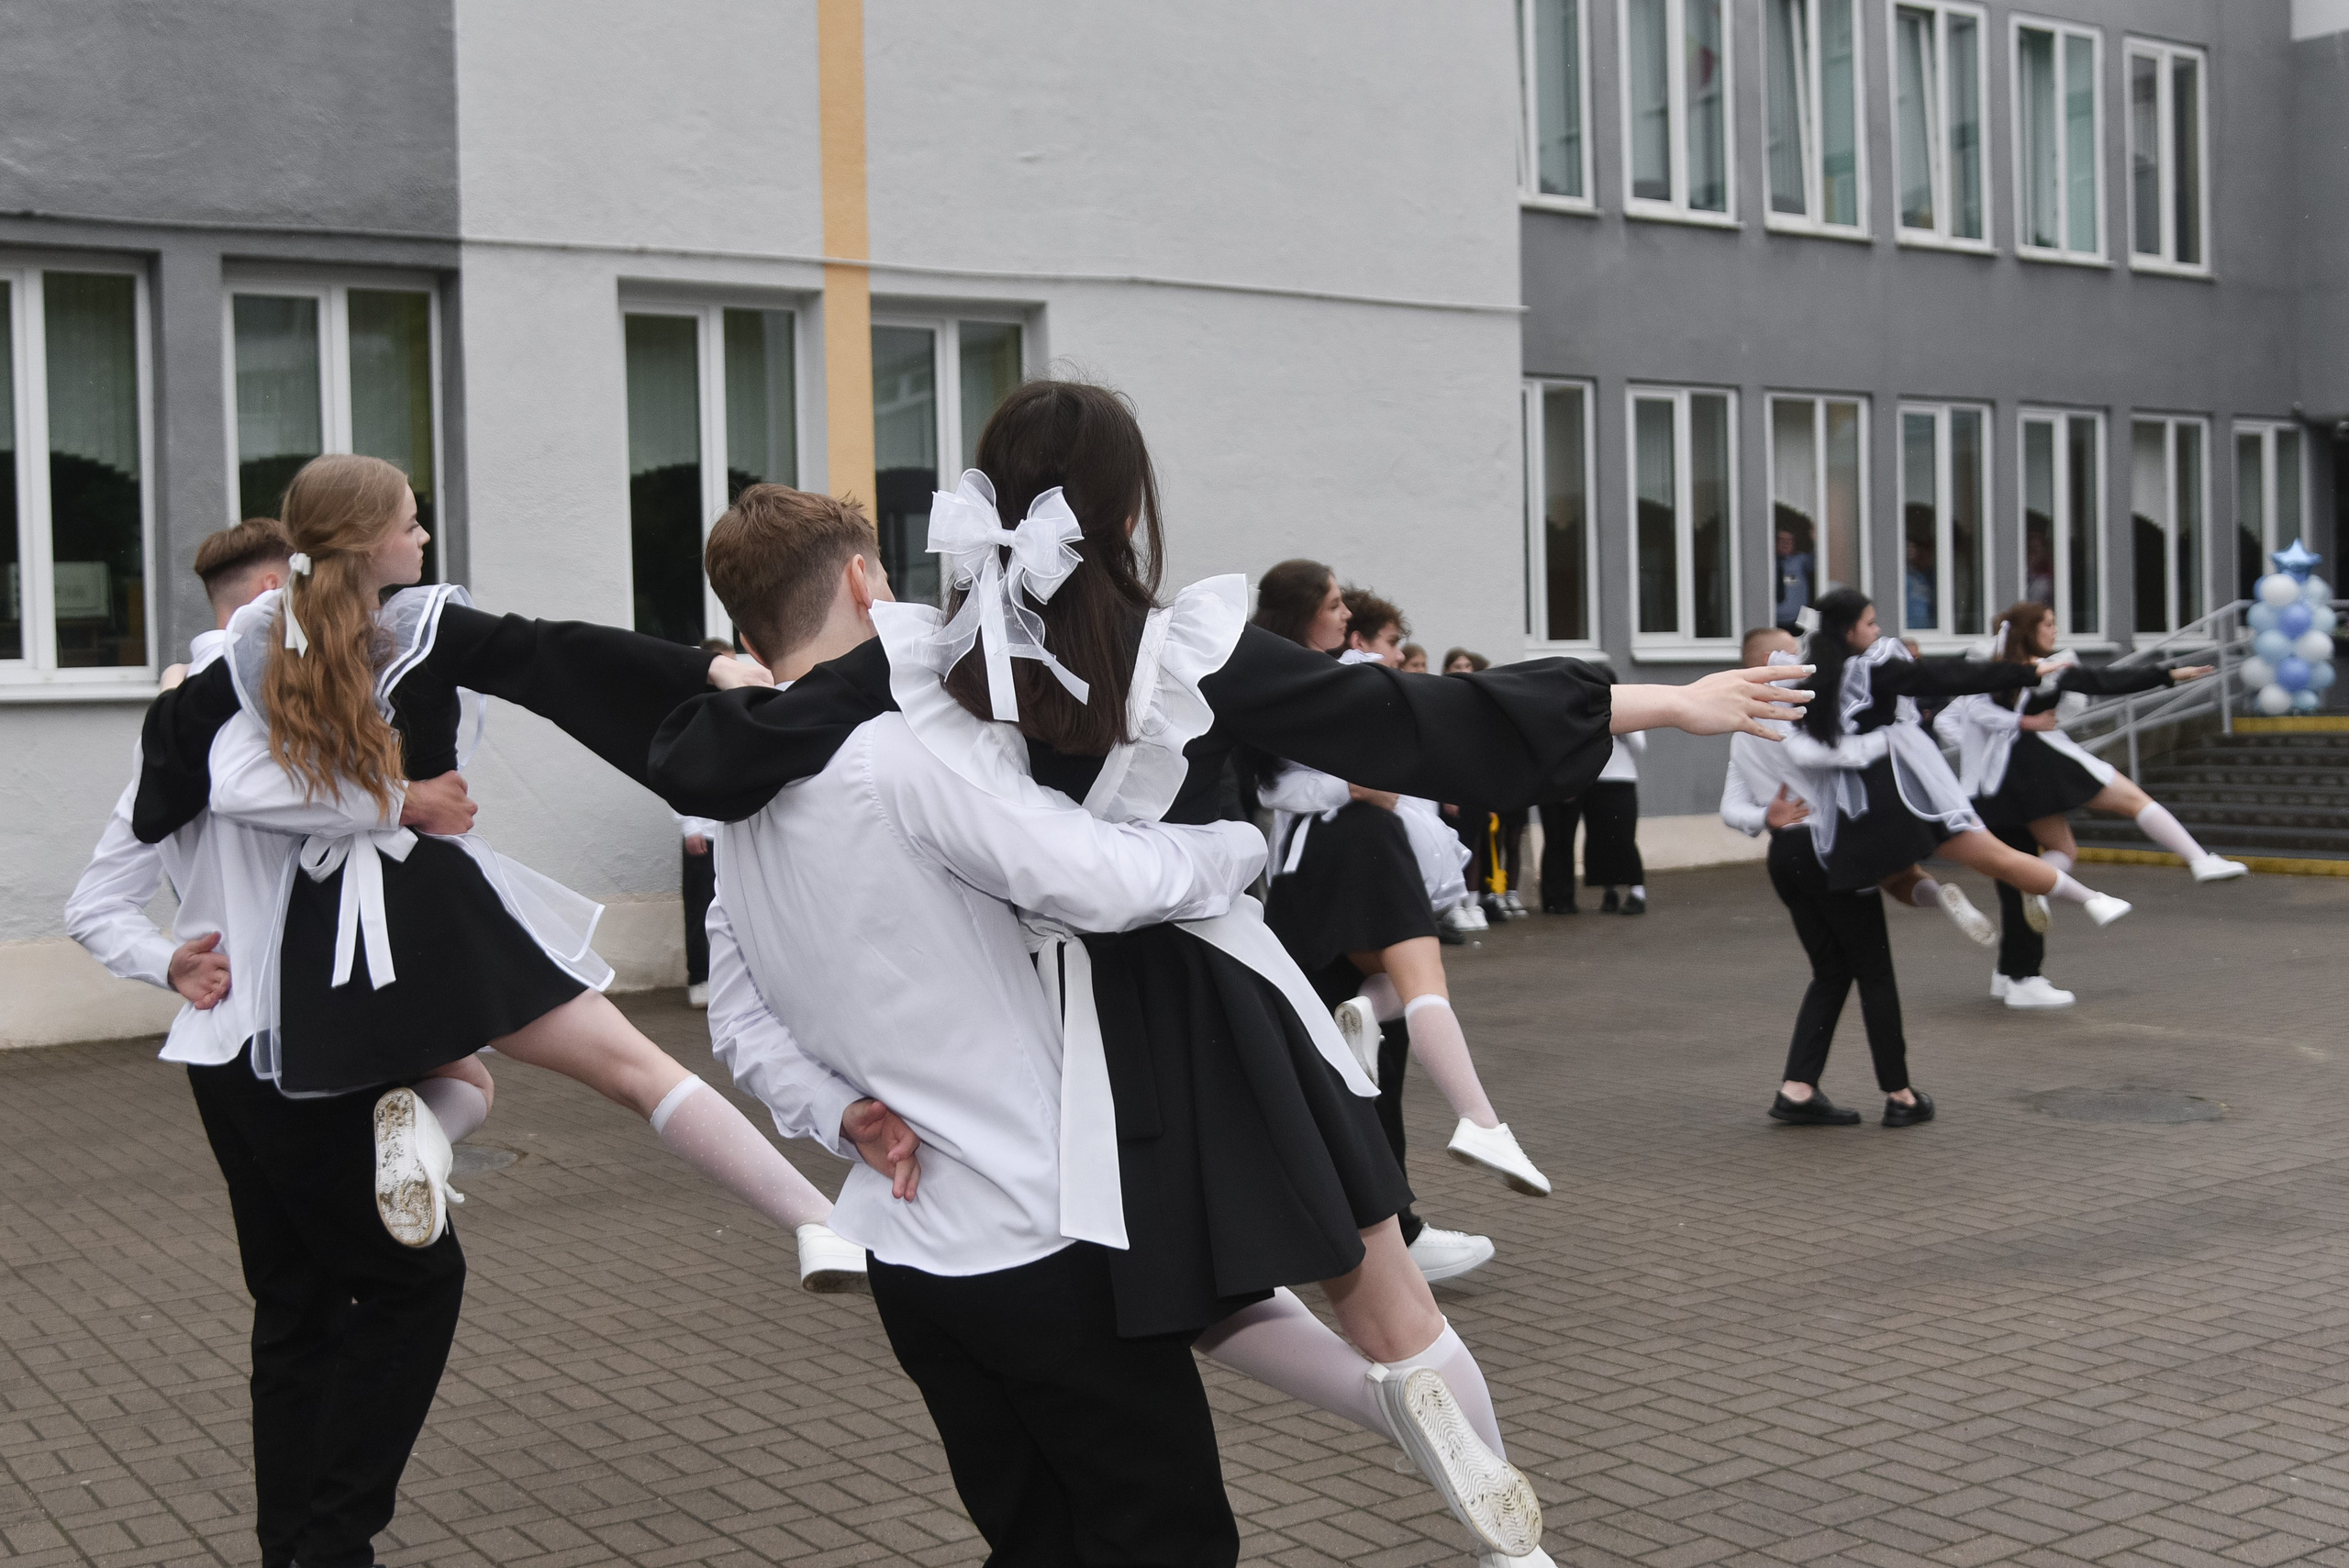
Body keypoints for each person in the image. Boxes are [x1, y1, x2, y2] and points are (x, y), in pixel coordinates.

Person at [651, 380, 1815, 1564]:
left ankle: (1383, 1408)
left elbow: (793, 707)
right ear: (1126, 503)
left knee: (1184, 1299)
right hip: (1214, 997)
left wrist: (731, 702)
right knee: (1389, 1305)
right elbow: (1404, 715)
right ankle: (1504, 1535)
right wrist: (1668, 702)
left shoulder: (937, 669)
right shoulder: (1176, 647)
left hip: (1071, 1041)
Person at [683, 483, 1541, 1564]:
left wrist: (840, 1110)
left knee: (1037, 1541)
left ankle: (1392, 1402)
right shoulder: (901, 755)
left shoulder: (738, 798)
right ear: (864, 581)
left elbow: (742, 1024)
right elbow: (1085, 876)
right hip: (1047, 1235)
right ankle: (1404, 1404)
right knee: (1168, 1539)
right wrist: (1234, 849)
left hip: (907, 1255)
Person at [131, 456, 880, 1294]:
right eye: (411, 523)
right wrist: (703, 668)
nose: (422, 536)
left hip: (318, 949)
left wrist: (191, 702)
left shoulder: (265, 642)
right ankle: (821, 1222)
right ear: (372, 543)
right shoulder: (411, 624)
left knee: (460, 1082)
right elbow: (549, 656)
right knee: (639, 1070)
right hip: (430, 906)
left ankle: (416, 1138)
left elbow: (217, 780)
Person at [67, 516, 489, 1568]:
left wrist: (163, 961)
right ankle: (334, 1538)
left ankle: (295, 1546)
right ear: (269, 594)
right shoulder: (252, 725)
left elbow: (94, 900)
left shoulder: (183, 727)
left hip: (229, 1056)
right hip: (295, 1055)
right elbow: (300, 804)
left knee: (298, 1306)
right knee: (412, 1282)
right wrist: (405, 798)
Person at [1254, 578, 1511, 1284]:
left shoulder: (1304, 681)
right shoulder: (1324, 680)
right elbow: (1276, 786)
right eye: (1334, 605)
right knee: (1364, 1056)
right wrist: (1353, 787)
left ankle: (1383, 1228)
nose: (1344, 616)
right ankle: (1400, 1217)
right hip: (1337, 871)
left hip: (1323, 877)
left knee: (1354, 1062)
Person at [1784, 589, 2134, 929]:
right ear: (1849, 631)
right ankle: (2092, 898)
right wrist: (2023, 673)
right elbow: (1947, 676)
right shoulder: (1875, 668)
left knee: (1894, 876)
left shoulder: (1815, 676)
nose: (1878, 632)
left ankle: (1938, 896)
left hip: (1852, 805)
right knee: (1995, 856)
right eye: (1871, 624)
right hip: (1902, 786)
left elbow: (1801, 741)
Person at [678, 637, 737, 1008]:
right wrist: (690, 826)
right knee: (700, 906)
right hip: (704, 833)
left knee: (734, 907)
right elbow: (676, 774)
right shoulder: (691, 712)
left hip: (732, 829)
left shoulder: (736, 709)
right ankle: (700, 976)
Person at [1539, 730, 1646, 915]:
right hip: (1592, 781)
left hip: (1622, 779)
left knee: (1623, 838)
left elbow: (1640, 746)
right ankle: (1609, 892)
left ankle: (1637, 891)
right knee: (1598, 839)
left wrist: (1621, 728)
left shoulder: (1631, 711)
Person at [1775, 528, 1813, 631]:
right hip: (1771, 621)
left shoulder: (1801, 560)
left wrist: (1815, 538)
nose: (1785, 543)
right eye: (1781, 540)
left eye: (1789, 540)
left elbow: (1821, 561)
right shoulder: (1766, 564)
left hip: (1797, 623)